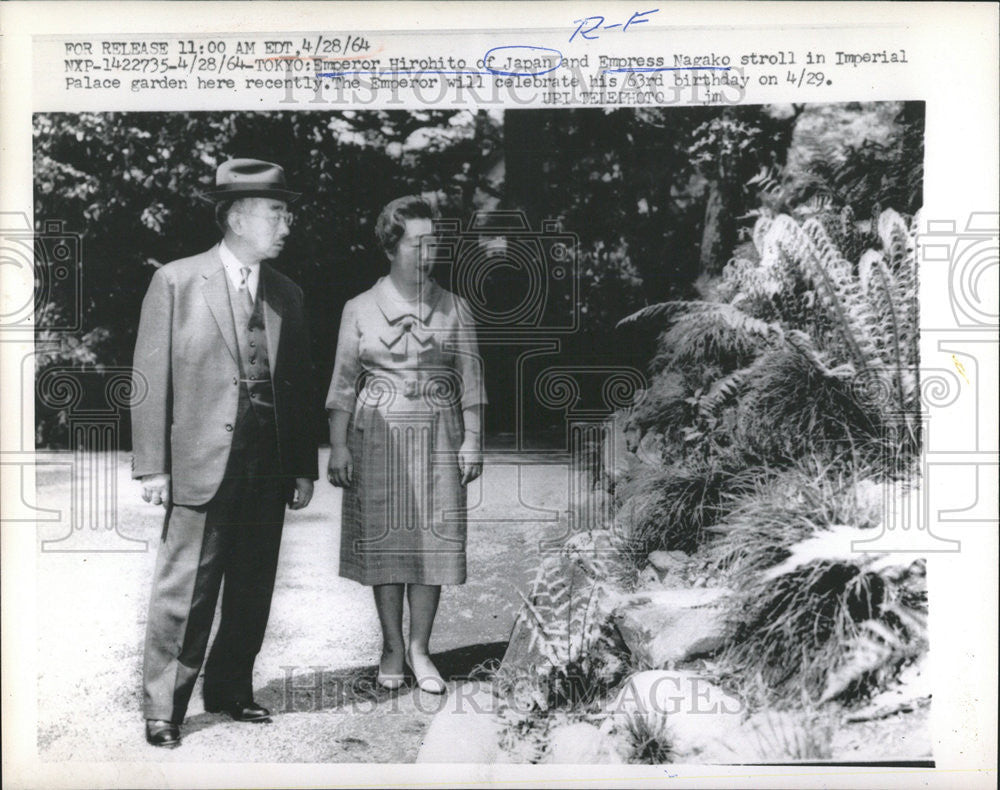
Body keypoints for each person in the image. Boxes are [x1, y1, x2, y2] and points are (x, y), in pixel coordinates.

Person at [131, 158, 318, 748]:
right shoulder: (178, 282)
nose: (287, 224)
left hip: (268, 465)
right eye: (276, 213)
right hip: (199, 463)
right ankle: (164, 706)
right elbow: (148, 375)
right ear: (237, 217)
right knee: (186, 585)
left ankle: (231, 688)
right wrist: (154, 464)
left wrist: (301, 467)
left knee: (253, 583)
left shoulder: (289, 294)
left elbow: (299, 386)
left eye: (287, 212)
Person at [326, 195, 485, 694]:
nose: (429, 251)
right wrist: (338, 445)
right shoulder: (358, 308)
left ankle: (421, 648)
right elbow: (343, 383)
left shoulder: (454, 307)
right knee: (387, 540)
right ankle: (392, 646)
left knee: (432, 540)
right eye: (419, 243)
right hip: (376, 437)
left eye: (434, 242)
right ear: (392, 247)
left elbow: (472, 378)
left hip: (439, 435)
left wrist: (473, 439)